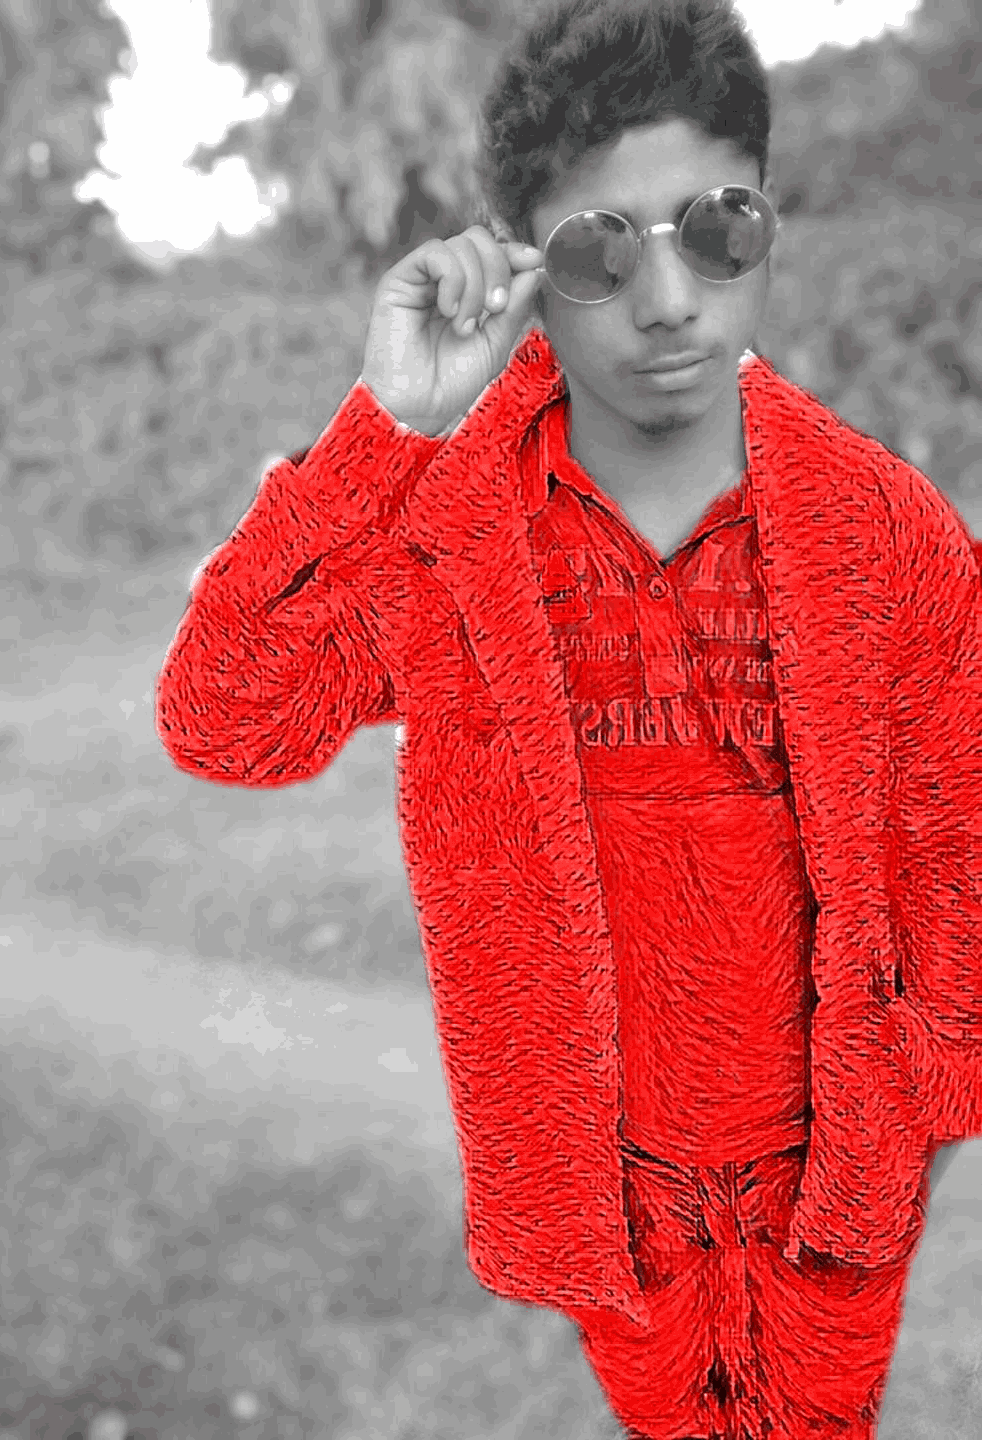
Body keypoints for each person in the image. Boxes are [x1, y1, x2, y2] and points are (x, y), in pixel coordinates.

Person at [155, 1, 982, 1436]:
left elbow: (955, 854)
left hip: (836, 1178)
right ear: (529, 265)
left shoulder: (886, 527)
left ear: (768, 216)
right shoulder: (452, 536)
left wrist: (913, 1126)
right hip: (605, 1202)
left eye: (718, 228)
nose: (668, 299)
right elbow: (226, 718)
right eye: (602, 248)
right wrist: (389, 429)